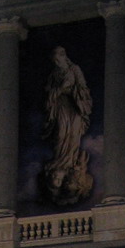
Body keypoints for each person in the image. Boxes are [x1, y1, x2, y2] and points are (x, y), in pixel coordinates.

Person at [42, 46, 93, 205]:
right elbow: (48, 90)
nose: (57, 61)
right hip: (60, 107)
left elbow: (83, 87)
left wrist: (74, 92)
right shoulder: (54, 74)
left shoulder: (74, 69)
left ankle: (70, 161)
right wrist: (55, 92)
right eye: (55, 59)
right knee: (61, 134)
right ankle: (61, 162)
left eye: (59, 57)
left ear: (64, 56)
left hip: (74, 106)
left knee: (73, 134)